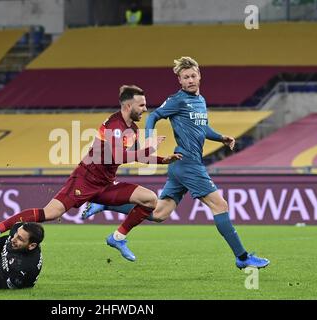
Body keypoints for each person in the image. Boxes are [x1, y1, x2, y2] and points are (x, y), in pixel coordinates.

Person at [82, 57, 270, 269]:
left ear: (199, 76)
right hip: (188, 163)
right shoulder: (177, 100)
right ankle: (243, 258)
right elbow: (154, 116)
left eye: (193, 76)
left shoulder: (201, 100)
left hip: (182, 164)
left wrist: (221, 138)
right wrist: (150, 139)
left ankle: (106, 203)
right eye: (185, 77)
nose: (190, 80)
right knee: (220, 205)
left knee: (159, 213)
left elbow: (203, 127)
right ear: (180, 81)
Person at [0, 85, 182, 261]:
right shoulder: (113, 125)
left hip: (105, 185)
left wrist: (163, 159)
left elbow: (137, 157)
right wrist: (150, 148)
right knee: (49, 213)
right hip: (84, 181)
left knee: (149, 199)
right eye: (142, 105)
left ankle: (118, 238)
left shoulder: (133, 129)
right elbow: (117, 156)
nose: (145, 109)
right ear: (129, 106)